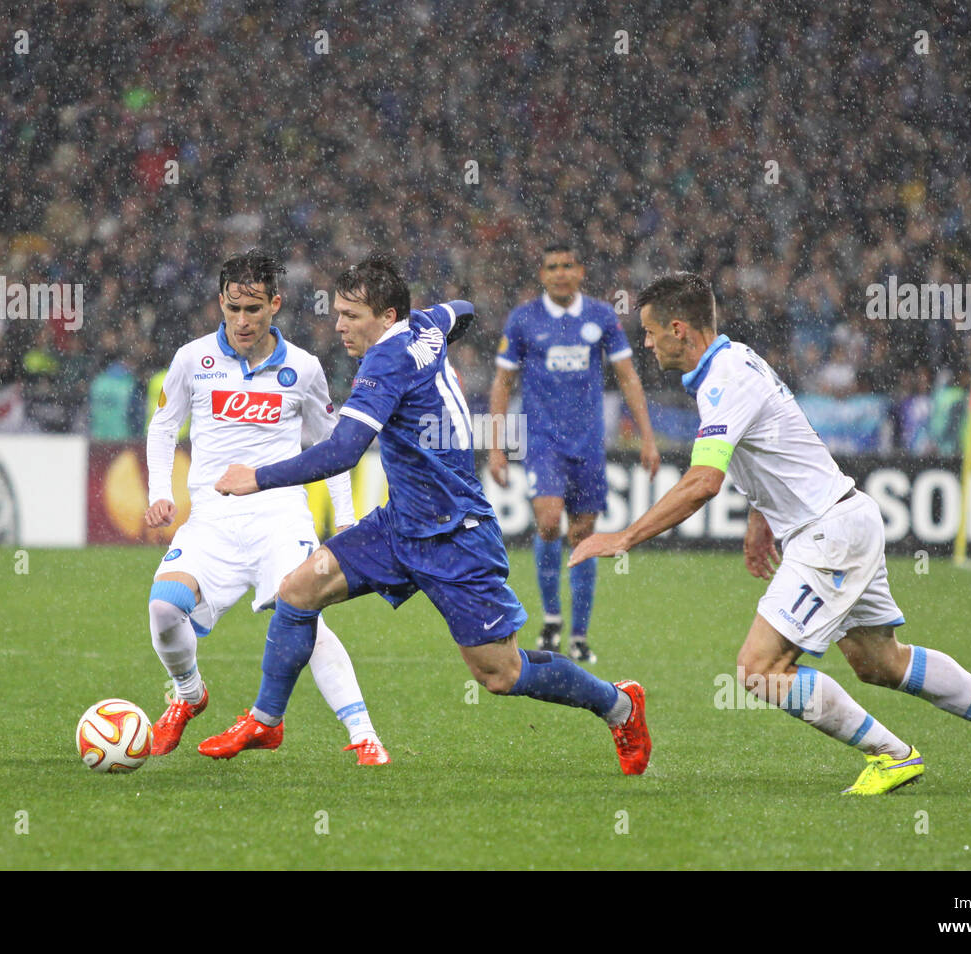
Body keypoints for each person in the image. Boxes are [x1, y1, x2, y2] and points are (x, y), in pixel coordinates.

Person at [570, 272, 971, 795]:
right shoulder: (736, 361)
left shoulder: (725, 378)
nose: (645, 342)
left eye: (649, 331)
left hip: (828, 534)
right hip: (843, 519)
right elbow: (775, 440)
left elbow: (702, 483)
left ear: (680, 329)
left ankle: (892, 756)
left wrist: (623, 538)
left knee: (760, 669)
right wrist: (762, 517)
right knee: (880, 662)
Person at [202, 254, 651, 775]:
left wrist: (256, 477)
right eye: (339, 313)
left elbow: (343, 451)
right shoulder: (426, 324)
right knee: (299, 590)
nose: (339, 325)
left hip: (456, 534)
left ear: (386, 316)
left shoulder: (384, 363)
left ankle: (619, 704)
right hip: (399, 526)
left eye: (352, 315)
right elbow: (463, 310)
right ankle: (266, 719)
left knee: (500, 674)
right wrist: (437, 330)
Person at [144, 250, 388, 765]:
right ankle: (189, 696)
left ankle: (363, 733)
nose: (242, 321)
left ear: (275, 304)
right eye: (232, 308)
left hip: (279, 517)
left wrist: (343, 518)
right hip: (211, 517)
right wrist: (159, 492)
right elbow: (164, 426)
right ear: (220, 302)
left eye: (253, 309)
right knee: (165, 608)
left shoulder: (303, 368)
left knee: (304, 613)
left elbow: (334, 447)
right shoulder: (193, 359)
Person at [489, 243, 660, 663]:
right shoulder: (524, 319)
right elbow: (502, 384)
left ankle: (579, 635)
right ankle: (551, 620)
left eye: (568, 265)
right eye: (553, 267)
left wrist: (648, 437)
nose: (561, 273)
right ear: (542, 275)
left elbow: (628, 377)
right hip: (543, 442)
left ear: (580, 271)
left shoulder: (601, 317)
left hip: (588, 445)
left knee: (583, 535)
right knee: (548, 523)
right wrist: (496, 447)